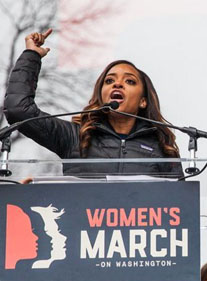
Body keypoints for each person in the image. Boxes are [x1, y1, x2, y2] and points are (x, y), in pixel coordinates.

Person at [3, 28, 182, 177]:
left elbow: (179, 209)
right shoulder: (74, 137)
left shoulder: (161, 149)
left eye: (129, 81)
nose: (118, 83)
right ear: (101, 97)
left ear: (143, 102)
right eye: (110, 81)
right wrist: (32, 55)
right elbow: (19, 110)